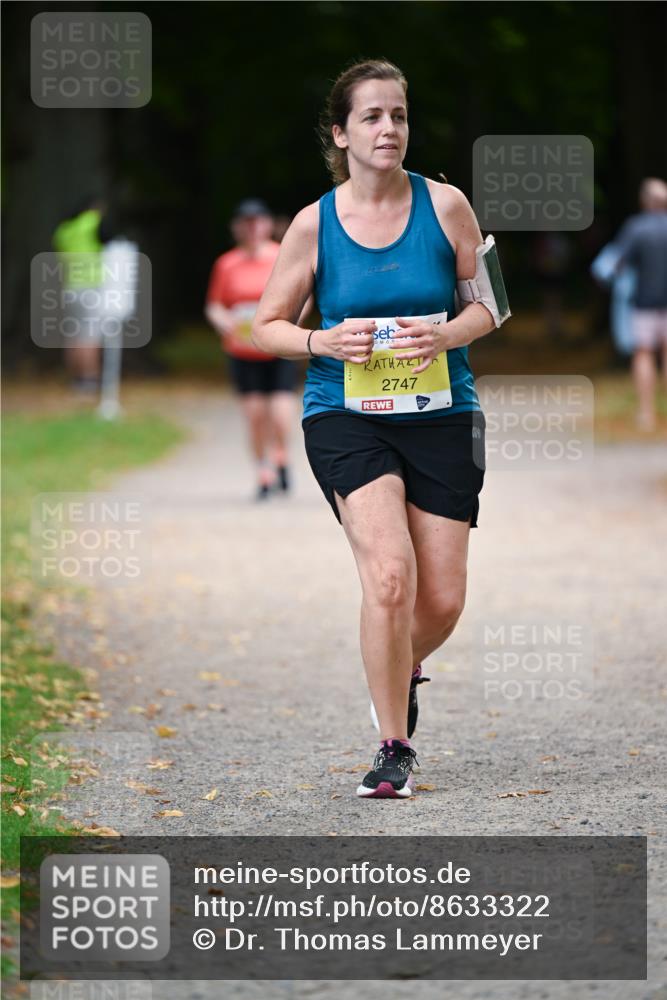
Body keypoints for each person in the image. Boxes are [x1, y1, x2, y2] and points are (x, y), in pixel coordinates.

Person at [253, 59, 509, 798]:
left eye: (397, 115)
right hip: (344, 415)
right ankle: (392, 744)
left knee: (440, 601)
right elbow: (264, 324)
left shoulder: (447, 206)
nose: (388, 128)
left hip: (441, 415)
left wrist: (448, 335)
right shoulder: (314, 224)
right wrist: (320, 342)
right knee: (389, 577)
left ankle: (396, 664)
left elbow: (490, 305)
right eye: (370, 116)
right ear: (340, 132)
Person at [205, 199, 300, 499]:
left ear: (268, 225)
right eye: (246, 223)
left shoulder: (281, 257)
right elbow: (215, 305)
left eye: (258, 221)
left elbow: (301, 295)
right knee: (255, 415)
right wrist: (224, 322)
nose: (253, 228)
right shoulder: (226, 263)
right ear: (237, 228)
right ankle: (263, 470)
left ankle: (282, 455)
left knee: (282, 414)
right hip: (243, 350)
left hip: (278, 348)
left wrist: (289, 322)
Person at [614, 178, 667, 431]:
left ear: (644, 200)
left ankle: (646, 412)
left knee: (644, 353)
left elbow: (618, 263)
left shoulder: (636, 228)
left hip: (644, 303)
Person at [52, 195, 108, 395]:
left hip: (70, 288)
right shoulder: (93, 222)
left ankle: (76, 378)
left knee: (73, 335)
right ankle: (90, 379)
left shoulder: (64, 231)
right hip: (91, 286)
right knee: (90, 335)